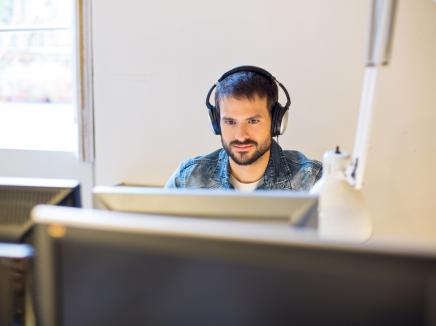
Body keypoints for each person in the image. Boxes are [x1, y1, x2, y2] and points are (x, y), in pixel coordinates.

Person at [165, 66, 322, 191]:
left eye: (253, 121)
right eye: (230, 122)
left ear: (276, 123)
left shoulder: (313, 181)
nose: (240, 136)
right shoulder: (186, 180)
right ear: (216, 124)